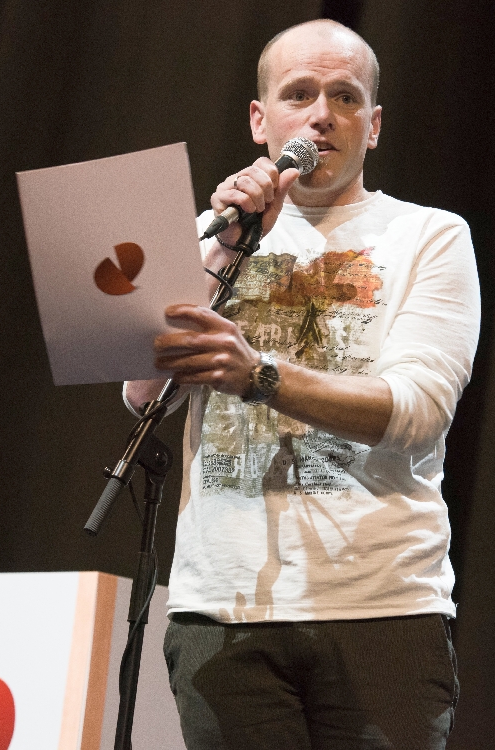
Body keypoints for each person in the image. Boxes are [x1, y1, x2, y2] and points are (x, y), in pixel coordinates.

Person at [124, 19, 480, 750]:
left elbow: (418, 412)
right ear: (261, 121)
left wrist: (260, 376)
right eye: (299, 94)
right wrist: (226, 243)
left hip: (381, 609)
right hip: (224, 612)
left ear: (372, 126)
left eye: (345, 97)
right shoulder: (211, 233)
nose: (322, 114)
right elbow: (142, 393)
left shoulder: (431, 235)